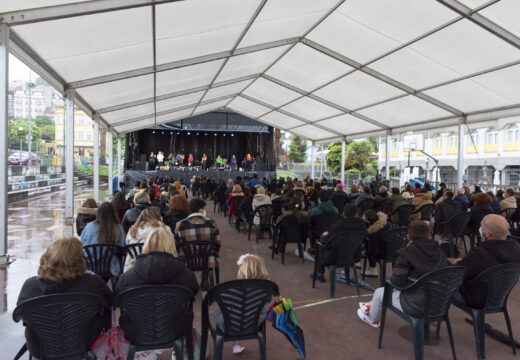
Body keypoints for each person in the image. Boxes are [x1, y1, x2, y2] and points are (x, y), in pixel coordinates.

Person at [17, 238, 112, 359]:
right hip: (84, 343)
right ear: (79, 260)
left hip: (40, 348)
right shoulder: (93, 283)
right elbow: (109, 302)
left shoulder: (30, 286)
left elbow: (21, 316)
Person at [357, 221, 450, 328]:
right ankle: (369, 305)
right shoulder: (440, 252)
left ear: (409, 236)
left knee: (379, 292)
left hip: (416, 305)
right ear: (429, 236)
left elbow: (396, 282)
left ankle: (371, 318)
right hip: (439, 303)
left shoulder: (407, 253)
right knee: (390, 290)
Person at [115, 227, 198, 343]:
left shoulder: (127, 278)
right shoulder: (186, 274)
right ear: (171, 245)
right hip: (175, 329)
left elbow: (118, 295)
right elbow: (194, 290)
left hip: (136, 330)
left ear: (146, 245)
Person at [455, 215, 520, 309]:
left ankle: (435, 317)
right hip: (500, 297)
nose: (480, 229)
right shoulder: (516, 249)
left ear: (488, 234)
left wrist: (460, 263)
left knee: (441, 282)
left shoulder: (479, 253)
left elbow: (458, 273)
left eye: (482, 226)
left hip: (475, 299)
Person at [211, 254, 270, 354]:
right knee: (243, 312)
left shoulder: (230, 289)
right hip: (253, 323)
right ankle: (238, 344)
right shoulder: (265, 289)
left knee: (223, 314)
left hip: (229, 326)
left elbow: (215, 301)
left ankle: (236, 344)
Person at [313, 204, 367, 281]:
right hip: (354, 256)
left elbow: (327, 243)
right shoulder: (362, 226)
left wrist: (324, 236)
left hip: (334, 258)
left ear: (343, 214)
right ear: (356, 214)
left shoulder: (337, 226)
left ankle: (319, 273)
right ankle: (346, 276)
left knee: (321, 244)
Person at [80, 202, 126, 275]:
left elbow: (81, 245)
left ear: (98, 213)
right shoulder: (118, 228)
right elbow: (123, 247)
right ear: (113, 213)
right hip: (111, 267)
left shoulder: (89, 227)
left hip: (91, 265)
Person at [175, 198, 221, 269]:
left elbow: (176, 244)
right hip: (208, 259)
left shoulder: (180, 224)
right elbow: (218, 242)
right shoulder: (211, 223)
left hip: (186, 260)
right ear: (200, 210)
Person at [363, 209, 389, 277]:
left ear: (367, 220)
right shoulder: (385, 224)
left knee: (368, 246)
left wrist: (365, 253)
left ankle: (372, 269)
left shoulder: (373, 232)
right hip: (393, 250)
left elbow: (373, 250)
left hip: (383, 253)